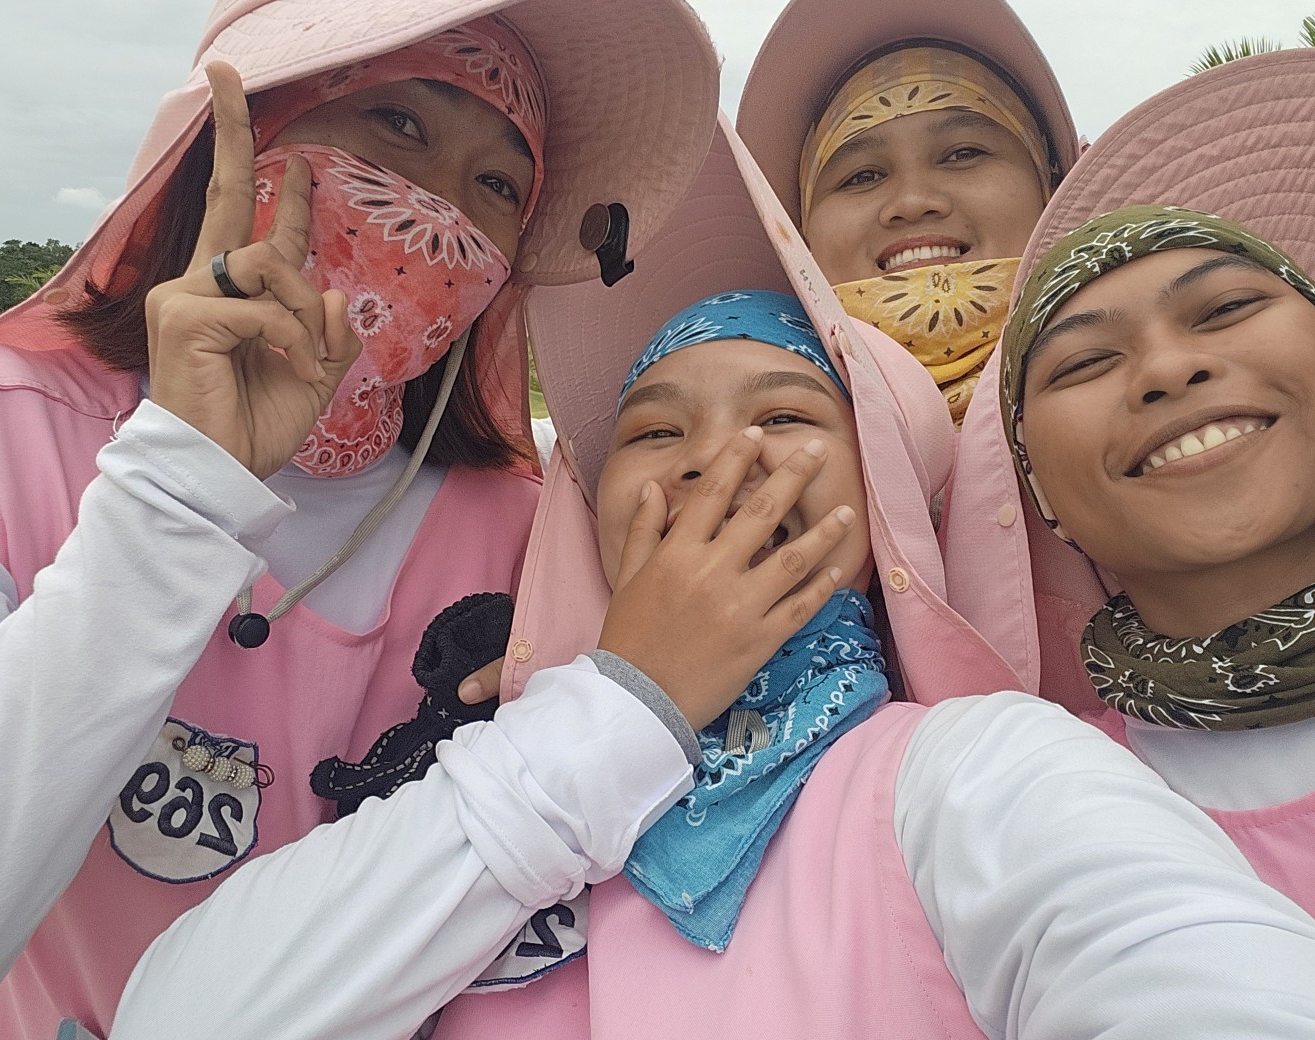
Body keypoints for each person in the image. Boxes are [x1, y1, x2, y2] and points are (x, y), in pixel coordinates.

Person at [111, 120, 1315, 1040]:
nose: (711, 460)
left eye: (785, 416)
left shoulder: (973, 772)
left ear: (886, 507)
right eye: (651, 430)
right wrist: (624, 700)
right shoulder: (466, 764)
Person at [0, 0, 720, 1035]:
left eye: (496, 186)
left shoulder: (533, 541)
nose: (439, 208)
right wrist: (181, 485)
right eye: (398, 124)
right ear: (247, 135)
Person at [990, 50, 1315, 916]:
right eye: (1085, 363)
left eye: (1228, 309)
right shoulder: (1023, 824)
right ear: (1040, 494)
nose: (1168, 370)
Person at [736, 0, 1076, 429]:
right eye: (862, 176)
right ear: (801, 238)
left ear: (1050, 188)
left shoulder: (1147, 386)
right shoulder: (733, 439)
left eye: (963, 154)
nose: (913, 202)